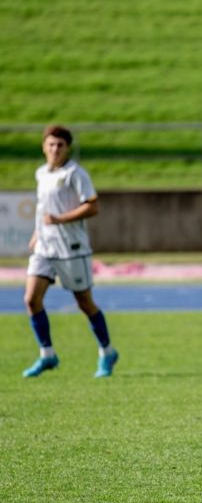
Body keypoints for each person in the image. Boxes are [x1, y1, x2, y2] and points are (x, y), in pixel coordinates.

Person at [22, 125, 119, 378]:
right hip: (45, 248)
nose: (55, 149)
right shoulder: (41, 173)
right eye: (51, 144)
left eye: (60, 145)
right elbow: (43, 208)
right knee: (31, 300)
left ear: (68, 148)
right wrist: (37, 233)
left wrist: (61, 219)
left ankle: (107, 352)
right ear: (44, 146)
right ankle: (47, 355)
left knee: (84, 303)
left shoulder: (75, 174)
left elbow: (93, 206)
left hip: (72, 249)